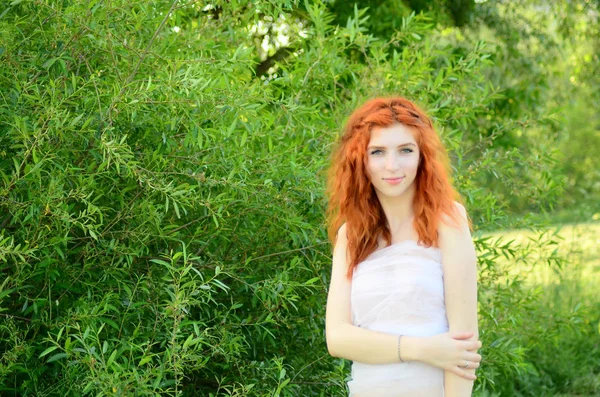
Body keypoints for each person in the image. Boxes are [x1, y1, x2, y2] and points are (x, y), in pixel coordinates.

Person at [325, 97, 481, 397]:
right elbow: (337, 338)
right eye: (378, 152)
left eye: (405, 150)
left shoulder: (447, 222)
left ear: (423, 156)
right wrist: (424, 349)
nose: (392, 165)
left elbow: (464, 347)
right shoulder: (351, 236)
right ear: (361, 159)